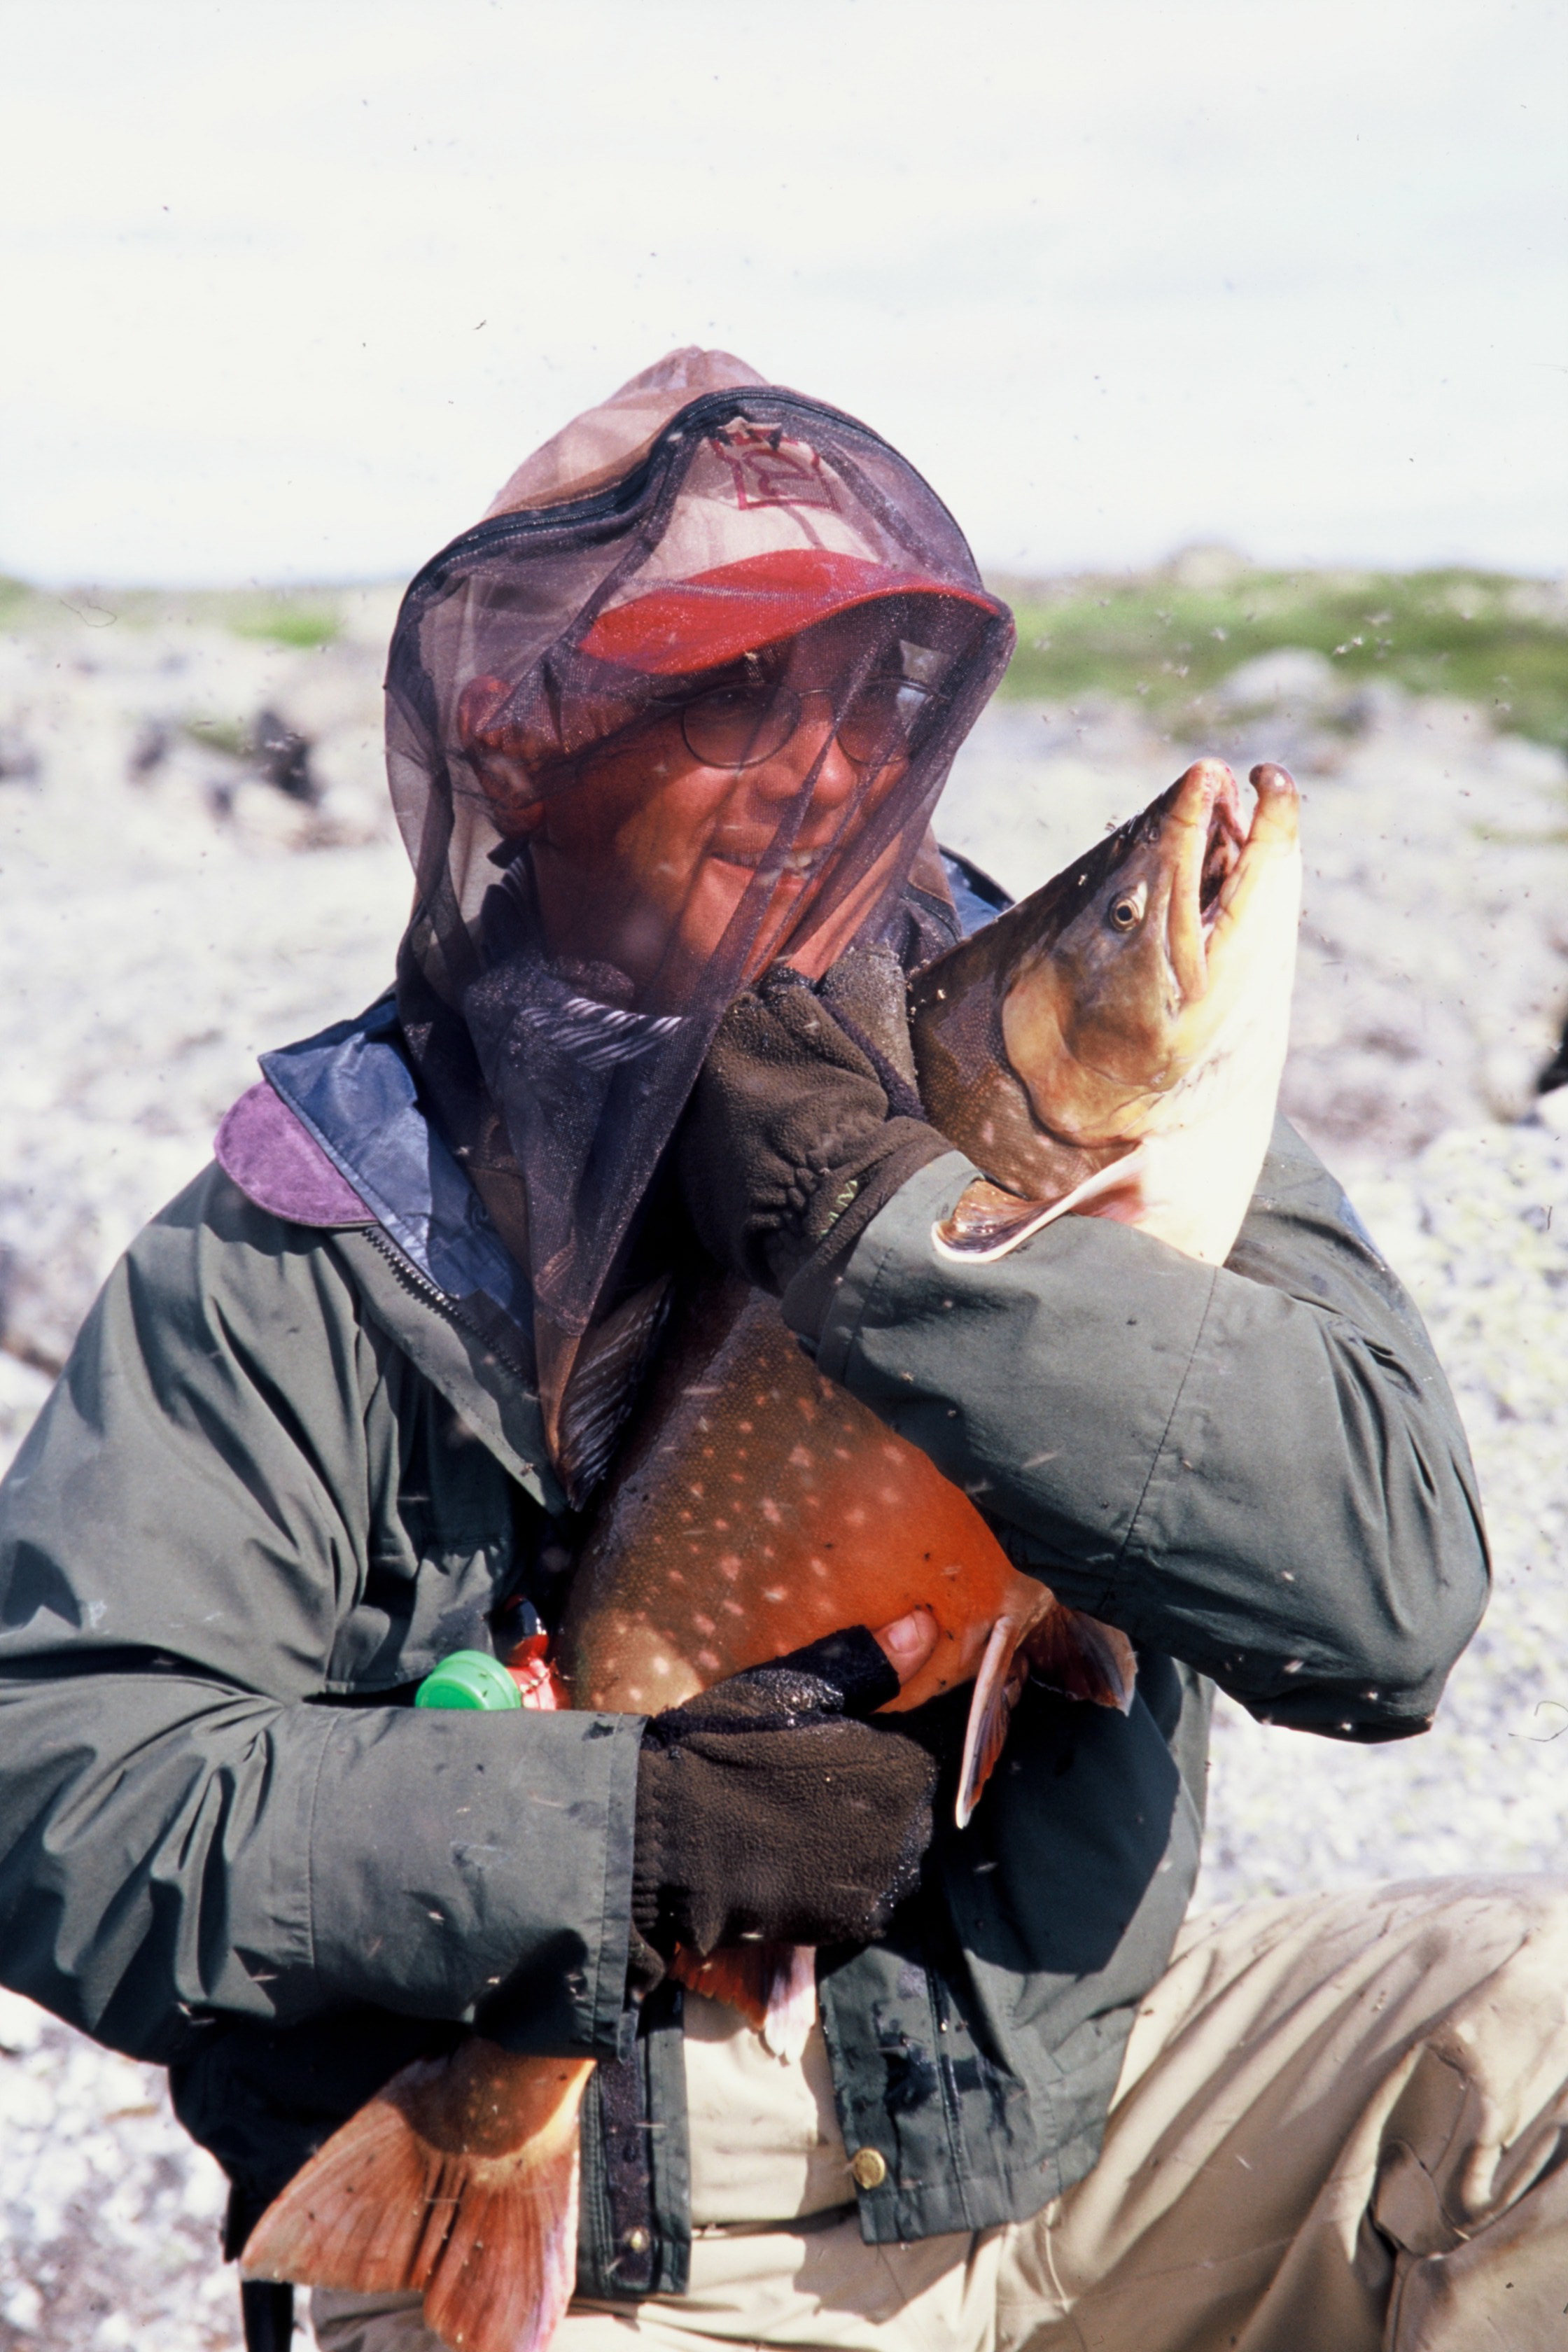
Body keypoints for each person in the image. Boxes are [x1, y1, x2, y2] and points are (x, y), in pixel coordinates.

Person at [0, 349, 1548, 2352]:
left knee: (1541, 2042)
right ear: (538, 752)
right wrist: (614, 1842)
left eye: (860, 695)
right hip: (650, 2237)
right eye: (723, 700)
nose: (812, 759)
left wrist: (890, 1235)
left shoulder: (1046, 1058)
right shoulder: (313, 1224)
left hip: (1098, 2118)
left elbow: (1394, 1605)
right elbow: (59, 1787)